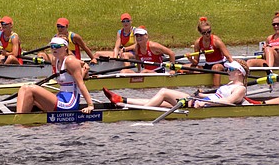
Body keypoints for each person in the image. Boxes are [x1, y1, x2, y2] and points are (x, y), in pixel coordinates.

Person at [103, 60, 248, 108]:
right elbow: (217, 95)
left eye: (231, 69)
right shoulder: (230, 83)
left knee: (165, 91)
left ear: (240, 73)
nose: (227, 70)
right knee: (159, 102)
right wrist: (202, 94)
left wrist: (205, 103)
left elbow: (227, 102)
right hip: (199, 101)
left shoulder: (240, 89)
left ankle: (145, 111)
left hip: (200, 105)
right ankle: (122, 101)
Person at [17, 37, 95, 114]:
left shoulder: (70, 61)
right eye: (52, 47)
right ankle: (18, 116)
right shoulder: (56, 60)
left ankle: (21, 119)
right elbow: (81, 62)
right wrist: (84, 64)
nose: (54, 49)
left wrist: (90, 105)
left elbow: (81, 85)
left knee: (31, 89)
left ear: (65, 48)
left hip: (69, 103)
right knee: (23, 88)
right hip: (60, 96)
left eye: (57, 47)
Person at [187, 17, 234, 88]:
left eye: (209, 32)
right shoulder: (198, 43)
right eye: (204, 33)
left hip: (220, 65)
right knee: (185, 67)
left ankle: (216, 90)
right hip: (207, 65)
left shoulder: (216, 41)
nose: (207, 34)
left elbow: (228, 56)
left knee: (216, 67)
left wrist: (235, 67)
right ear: (200, 33)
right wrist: (190, 59)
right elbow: (196, 62)